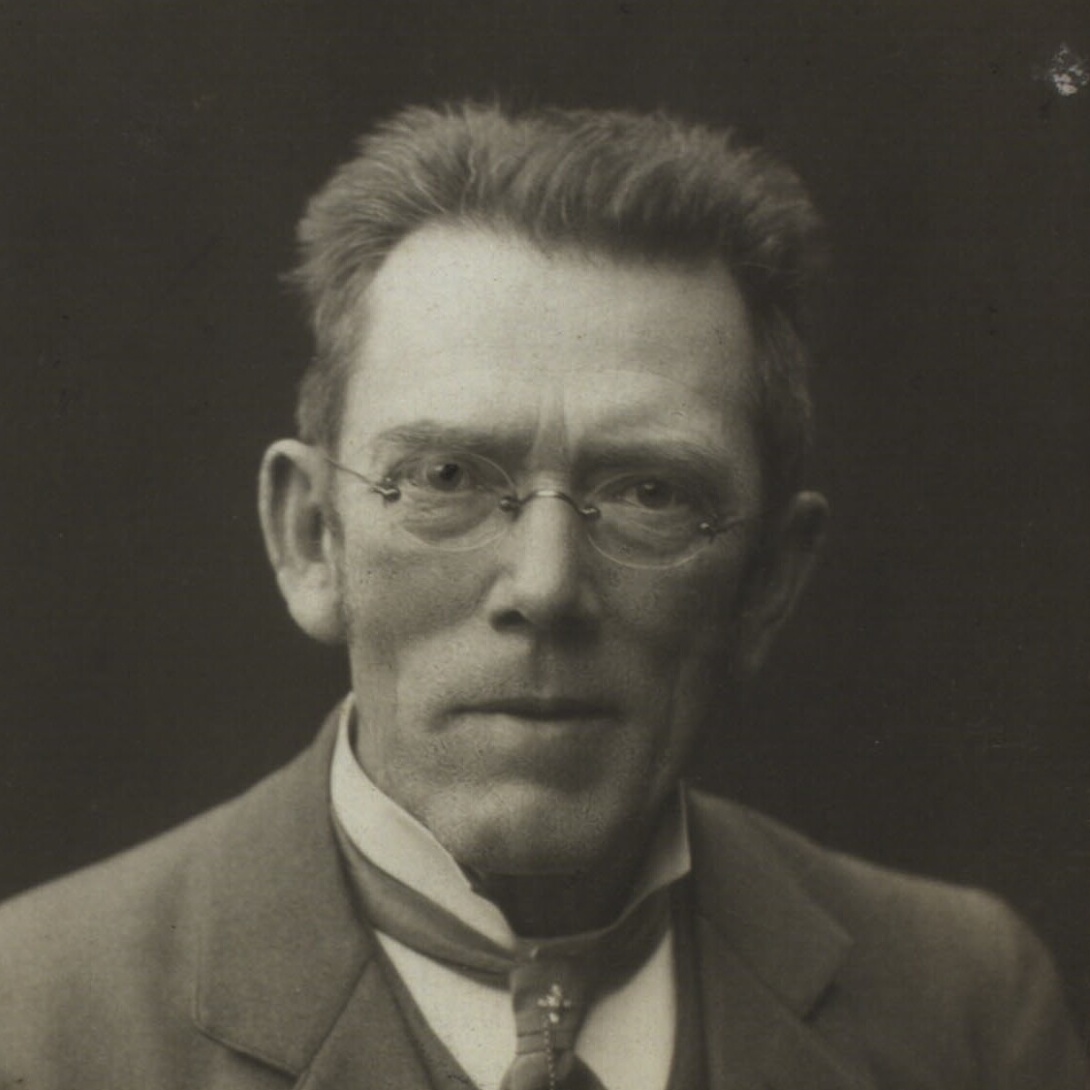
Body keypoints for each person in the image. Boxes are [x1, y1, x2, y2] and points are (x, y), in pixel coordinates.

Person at [0, 101, 1085, 1090]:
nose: (546, 584)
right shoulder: (34, 1022)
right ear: (310, 537)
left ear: (768, 579)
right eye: (445, 477)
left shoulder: (966, 1006)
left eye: (651, 493)